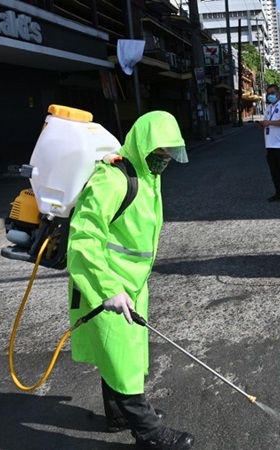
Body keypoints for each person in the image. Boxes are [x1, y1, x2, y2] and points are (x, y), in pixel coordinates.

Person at [67, 111, 194, 450]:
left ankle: (119, 416)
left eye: (169, 153)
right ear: (143, 144)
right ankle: (149, 433)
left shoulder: (148, 176)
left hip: (133, 284)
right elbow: (83, 239)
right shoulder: (113, 178)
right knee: (122, 356)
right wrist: (108, 289)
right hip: (105, 285)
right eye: (159, 152)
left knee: (126, 354)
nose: (164, 159)